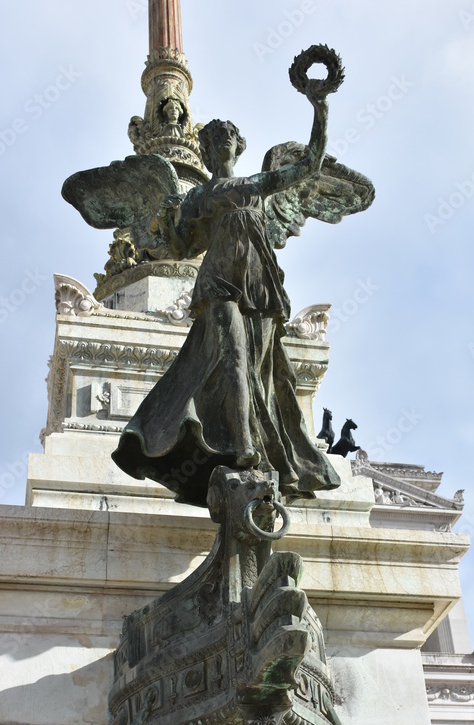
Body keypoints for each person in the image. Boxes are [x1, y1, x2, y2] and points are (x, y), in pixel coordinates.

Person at [112, 95, 341, 507]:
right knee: (233, 355)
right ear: (205, 149)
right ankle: (243, 445)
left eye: (228, 137)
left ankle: (272, 445)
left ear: (238, 146)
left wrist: (318, 105)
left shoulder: (257, 185)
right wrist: (168, 222)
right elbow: (181, 248)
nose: (222, 142)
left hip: (259, 284)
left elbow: (310, 164)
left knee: (262, 369)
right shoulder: (198, 196)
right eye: (214, 138)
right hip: (217, 281)